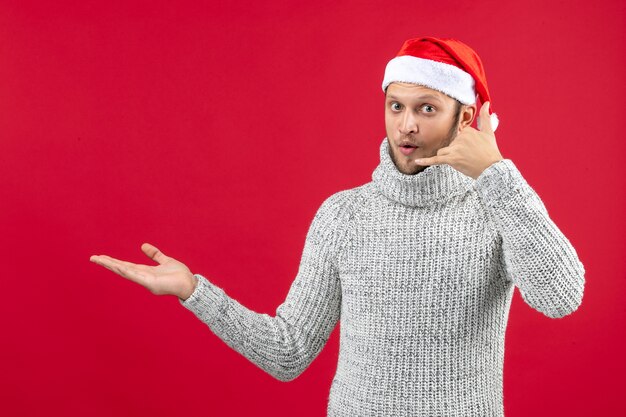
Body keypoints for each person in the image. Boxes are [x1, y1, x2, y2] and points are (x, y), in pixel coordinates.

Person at [90, 36, 585, 416]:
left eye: (426, 109)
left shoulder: (495, 207)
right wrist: (194, 290)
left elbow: (560, 296)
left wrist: (496, 174)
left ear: (467, 117)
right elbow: (289, 352)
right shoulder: (343, 215)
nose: (406, 125)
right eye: (397, 106)